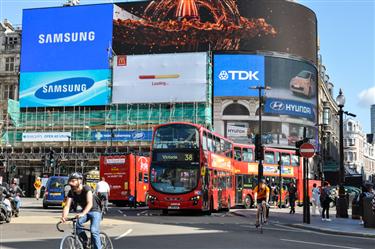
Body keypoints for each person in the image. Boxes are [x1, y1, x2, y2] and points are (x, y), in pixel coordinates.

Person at [61, 172, 102, 249]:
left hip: (96, 211)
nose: (71, 183)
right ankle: (85, 241)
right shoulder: (71, 192)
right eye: (70, 181)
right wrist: (64, 216)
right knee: (77, 225)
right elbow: (67, 206)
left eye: (73, 181)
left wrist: (82, 213)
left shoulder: (86, 188)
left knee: (94, 231)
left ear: (80, 181)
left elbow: (90, 203)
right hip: (86, 211)